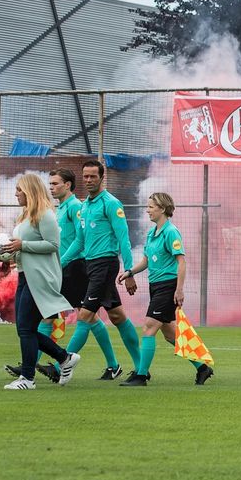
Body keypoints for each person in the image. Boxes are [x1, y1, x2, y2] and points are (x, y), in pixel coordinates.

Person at [117, 193, 213, 386]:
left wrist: (179, 290)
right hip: (156, 286)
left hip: (168, 287)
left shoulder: (171, 232)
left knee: (149, 327)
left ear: (162, 208)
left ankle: (141, 375)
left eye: (151, 206)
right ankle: (203, 368)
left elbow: (181, 262)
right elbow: (145, 260)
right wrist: (130, 272)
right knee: (170, 334)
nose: (147, 210)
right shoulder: (152, 233)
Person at [60, 160, 142, 382]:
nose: (88, 180)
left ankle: (61, 364)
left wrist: (130, 272)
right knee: (117, 316)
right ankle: (140, 367)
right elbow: (79, 240)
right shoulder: (85, 205)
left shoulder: (111, 203)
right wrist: (60, 262)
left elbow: (124, 238)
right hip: (91, 265)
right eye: (85, 176)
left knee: (85, 315)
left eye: (92, 176)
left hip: (105, 264)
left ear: (101, 177)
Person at [1, 174, 81, 390]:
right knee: (24, 328)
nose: (16, 194)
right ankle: (64, 358)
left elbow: (53, 245)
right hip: (25, 275)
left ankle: (27, 379)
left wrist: (22, 246)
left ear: (30, 191)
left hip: (42, 278)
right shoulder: (25, 216)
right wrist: (10, 256)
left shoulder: (45, 215)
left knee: (26, 329)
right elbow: (23, 246)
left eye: (19, 190)